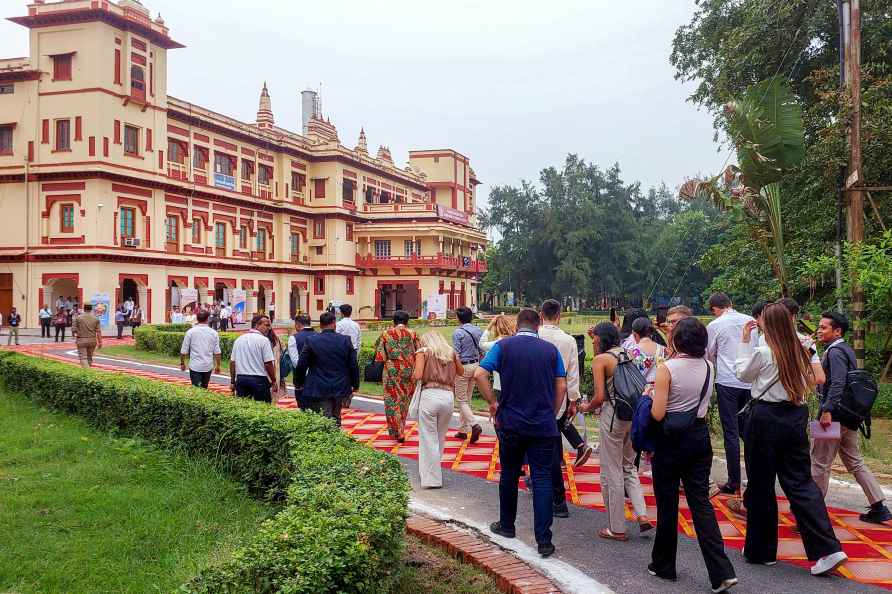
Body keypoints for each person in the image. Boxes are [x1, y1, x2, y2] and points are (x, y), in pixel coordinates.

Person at [735, 304, 849, 576]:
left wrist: (743, 341)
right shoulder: (805, 347)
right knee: (799, 482)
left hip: (765, 417)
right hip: (795, 415)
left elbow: (741, 373)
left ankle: (761, 551)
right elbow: (817, 378)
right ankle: (827, 549)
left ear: (767, 325)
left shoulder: (764, 351)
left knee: (761, 484)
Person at [649, 317, 738, 592]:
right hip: (699, 438)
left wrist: (651, 395)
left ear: (677, 340)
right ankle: (721, 571)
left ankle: (664, 565)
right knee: (700, 504)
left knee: (667, 503)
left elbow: (658, 413)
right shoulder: (709, 367)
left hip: (670, 440)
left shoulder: (667, 369)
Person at [473, 308, 566, 558]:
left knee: (510, 474)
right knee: (543, 479)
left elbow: (480, 374)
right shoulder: (550, 350)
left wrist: (493, 402)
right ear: (537, 325)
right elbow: (561, 385)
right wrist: (552, 412)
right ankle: (544, 539)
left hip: (511, 422)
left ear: (517, 325)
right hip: (543, 424)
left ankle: (507, 525)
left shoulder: (504, 347)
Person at [811, 311, 892, 524]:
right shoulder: (847, 349)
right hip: (849, 416)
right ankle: (879, 507)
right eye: (819, 326)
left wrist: (827, 410)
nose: (819, 330)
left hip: (833, 416)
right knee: (855, 462)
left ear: (837, 331)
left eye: (824, 327)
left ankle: (813, 515)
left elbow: (837, 383)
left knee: (820, 462)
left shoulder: (835, 352)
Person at [580, 322, 650, 540]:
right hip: (634, 414)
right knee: (628, 466)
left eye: (594, 339)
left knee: (612, 470)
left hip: (613, 416)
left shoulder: (601, 360)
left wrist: (586, 407)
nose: (592, 342)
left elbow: (600, 397)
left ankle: (617, 527)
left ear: (600, 339)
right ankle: (642, 514)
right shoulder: (628, 352)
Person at [706, 292, 754, 496]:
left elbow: (709, 352)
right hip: (750, 381)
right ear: (731, 303)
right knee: (749, 431)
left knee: (731, 432)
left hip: (727, 380)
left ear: (715, 309)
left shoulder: (716, 325)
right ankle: (753, 477)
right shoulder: (750, 321)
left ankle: (734, 480)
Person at [539, 299, 593, 482]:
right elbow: (572, 374)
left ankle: (553, 464)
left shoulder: (535, 336)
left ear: (541, 315)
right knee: (556, 423)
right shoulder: (568, 340)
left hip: (536, 389)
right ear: (559, 316)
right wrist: (573, 400)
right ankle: (565, 455)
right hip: (560, 392)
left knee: (546, 430)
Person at [412, 331, 464, 488]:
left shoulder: (423, 352)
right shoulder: (450, 353)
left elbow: (418, 374)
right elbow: (461, 372)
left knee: (428, 438)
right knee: (439, 438)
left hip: (429, 395)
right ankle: (434, 471)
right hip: (448, 396)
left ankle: (431, 479)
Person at [295, 311, 358, 426]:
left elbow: (301, 364)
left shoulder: (312, 340)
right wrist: (355, 384)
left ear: (320, 325)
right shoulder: (345, 340)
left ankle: (329, 441)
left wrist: (298, 383)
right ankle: (336, 439)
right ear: (334, 323)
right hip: (340, 384)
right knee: (336, 415)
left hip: (318, 384)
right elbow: (353, 364)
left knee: (325, 416)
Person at [374, 310, 419, 442]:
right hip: (409, 371)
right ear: (407, 321)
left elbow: (380, 357)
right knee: (404, 401)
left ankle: (397, 431)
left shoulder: (386, 334)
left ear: (393, 321)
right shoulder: (413, 334)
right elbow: (420, 352)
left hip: (391, 371)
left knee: (391, 401)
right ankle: (402, 428)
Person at [452, 306, 484, 443]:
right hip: (476, 365)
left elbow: (456, 354)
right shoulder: (478, 330)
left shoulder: (458, 333)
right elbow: (482, 349)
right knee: (467, 398)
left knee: (461, 399)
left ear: (458, 318)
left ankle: (474, 424)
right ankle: (463, 430)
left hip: (463, 366)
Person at [229, 314, 278, 403]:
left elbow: (232, 362)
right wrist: (274, 381)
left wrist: (232, 382)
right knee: (263, 409)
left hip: (241, 379)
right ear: (256, 325)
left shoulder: (239, 339)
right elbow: (268, 363)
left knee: (243, 408)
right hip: (259, 380)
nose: (269, 328)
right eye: (266, 325)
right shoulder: (264, 340)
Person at [179, 309, 221, 388]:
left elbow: (183, 351)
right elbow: (217, 352)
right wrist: (218, 366)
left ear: (197, 319)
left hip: (195, 366)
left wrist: (182, 363)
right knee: (204, 388)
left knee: (196, 391)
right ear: (208, 319)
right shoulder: (214, 333)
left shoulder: (190, 332)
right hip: (207, 366)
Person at [627, 317, 667, 384]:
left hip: (639, 390)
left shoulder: (631, 352)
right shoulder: (664, 350)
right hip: (659, 389)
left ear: (634, 333)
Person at [287, 314, 315, 408]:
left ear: (297, 324)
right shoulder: (319, 336)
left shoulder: (294, 338)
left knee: (304, 408)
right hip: (319, 377)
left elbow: (296, 362)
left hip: (302, 378)